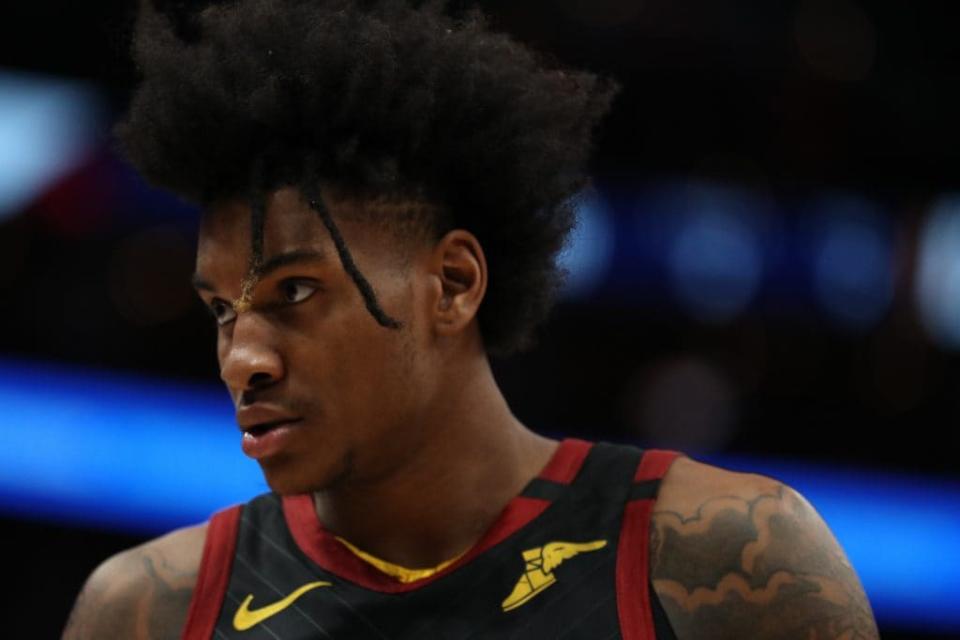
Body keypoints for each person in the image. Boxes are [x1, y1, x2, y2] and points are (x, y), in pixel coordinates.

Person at [63, 1, 880, 638]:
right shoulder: (144, 611)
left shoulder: (731, 558)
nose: (243, 359)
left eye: (295, 294)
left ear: (452, 283)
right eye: (220, 310)